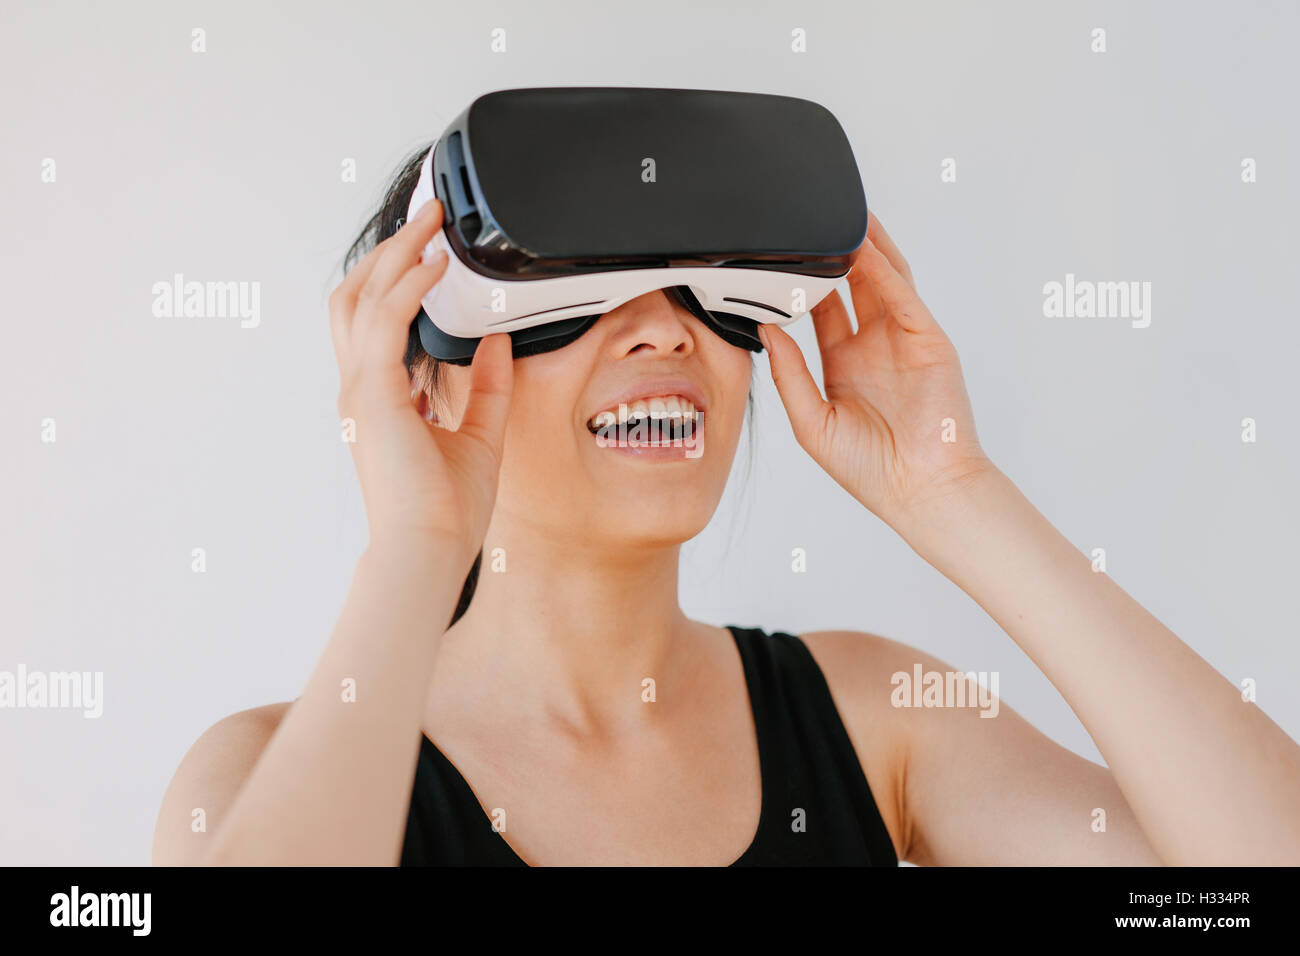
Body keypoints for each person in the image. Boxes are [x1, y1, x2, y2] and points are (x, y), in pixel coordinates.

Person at [153, 148, 1300, 866]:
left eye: (705, 288)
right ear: (423, 374)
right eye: (570, 287)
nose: (665, 330)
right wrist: (416, 541)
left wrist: (956, 494)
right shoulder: (252, 773)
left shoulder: (869, 717)